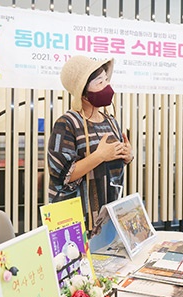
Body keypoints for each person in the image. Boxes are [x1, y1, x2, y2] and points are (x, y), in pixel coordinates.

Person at [48, 56, 133, 233]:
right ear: (83, 92)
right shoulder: (67, 124)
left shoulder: (110, 121)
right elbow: (63, 176)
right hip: (75, 219)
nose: (106, 86)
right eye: (99, 82)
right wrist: (99, 155)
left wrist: (127, 156)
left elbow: (114, 166)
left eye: (106, 80)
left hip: (106, 213)